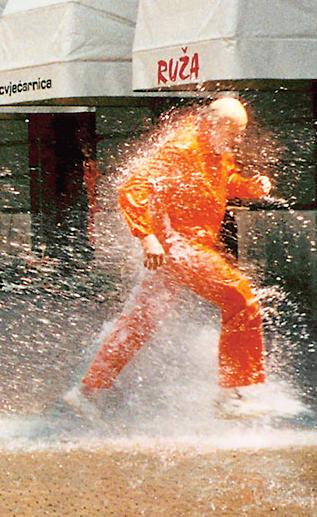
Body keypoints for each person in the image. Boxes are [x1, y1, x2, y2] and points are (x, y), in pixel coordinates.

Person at [59, 96, 277, 422]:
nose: (239, 140)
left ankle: (87, 391)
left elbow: (220, 183)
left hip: (181, 250)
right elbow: (132, 189)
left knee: (139, 323)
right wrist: (146, 238)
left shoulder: (217, 151)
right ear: (217, 124)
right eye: (236, 132)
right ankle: (231, 395)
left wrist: (249, 187)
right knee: (240, 298)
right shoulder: (182, 148)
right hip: (179, 247)